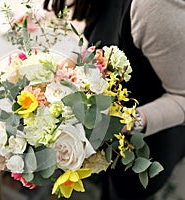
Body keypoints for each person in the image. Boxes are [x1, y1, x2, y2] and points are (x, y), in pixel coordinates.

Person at [43, 0, 185, 199]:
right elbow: (105, 34)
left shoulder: (154, 7)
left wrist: (124, 122)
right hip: (110, 146)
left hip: (147, 146)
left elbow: (182, 97)